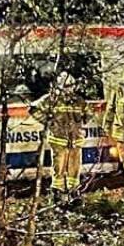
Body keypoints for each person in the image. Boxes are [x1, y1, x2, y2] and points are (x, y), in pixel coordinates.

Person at [29, 71, 90, 200]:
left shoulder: (78, 100)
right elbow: (33, 108)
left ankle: (74, 192)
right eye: (68, 86)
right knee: (59, 167)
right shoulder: (51, 99)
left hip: (76, 140)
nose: (71, 88)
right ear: (60, 86)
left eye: (72, 85)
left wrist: (81, 123)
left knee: (75, 167)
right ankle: (58, 193)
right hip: (58, 140)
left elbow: (88, 113)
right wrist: (49, 122)